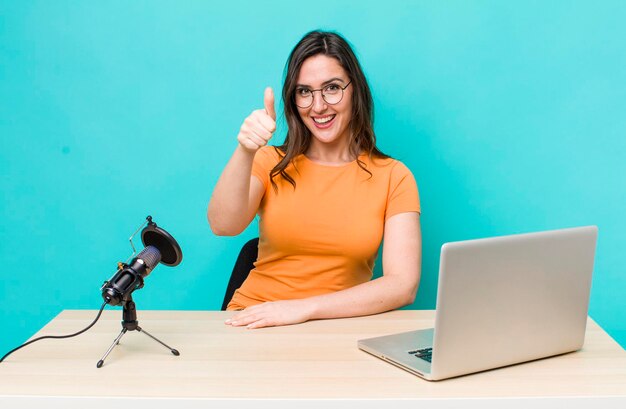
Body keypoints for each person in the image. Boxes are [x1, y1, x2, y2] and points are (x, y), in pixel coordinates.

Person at [207, 30, 421, 329]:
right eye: (304, 91)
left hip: (339, 328)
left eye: (332, 88)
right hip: (254, 319)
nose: (318, 106)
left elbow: (402, 285)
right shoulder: (271, 162)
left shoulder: (394, 176)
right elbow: (223, 225)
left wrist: (303, 308)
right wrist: (246, 150)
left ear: (354, 90)